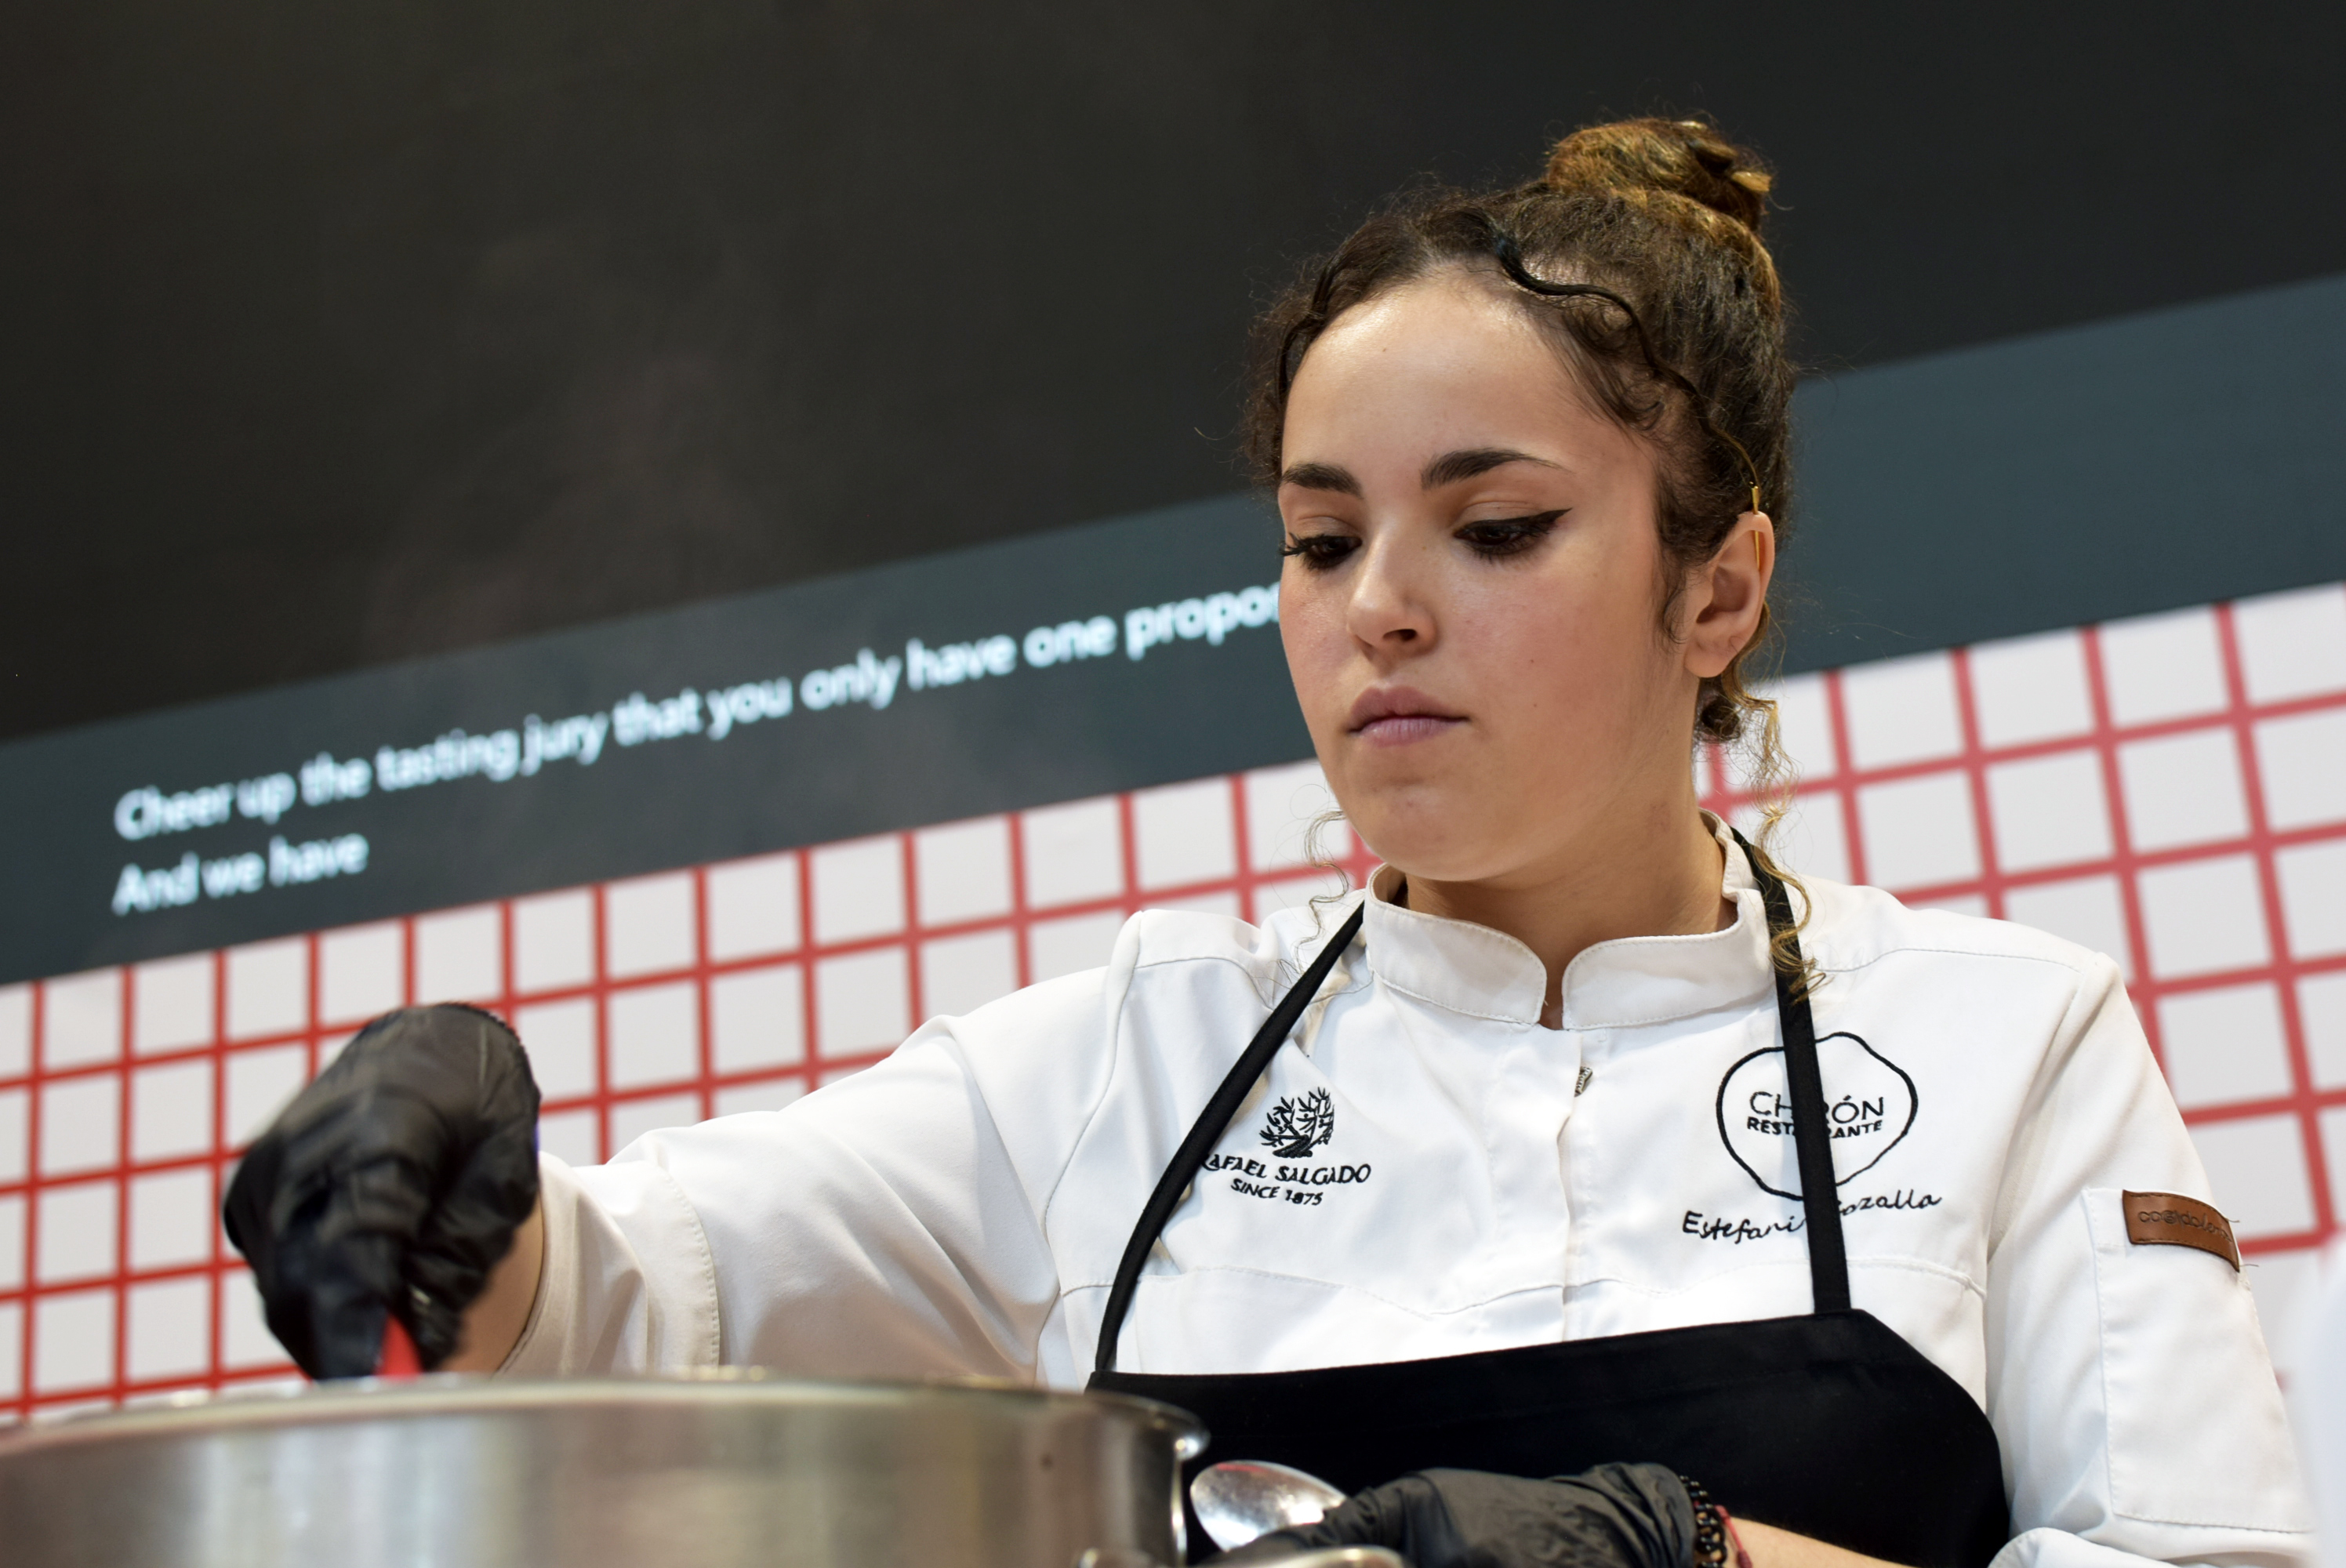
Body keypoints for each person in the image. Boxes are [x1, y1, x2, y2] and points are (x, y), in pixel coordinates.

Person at [226, 118, 2310, 1568]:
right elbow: (613, 1313)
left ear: (1719, 588)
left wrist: (1707, 1563)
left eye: (1493, 530)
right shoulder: (1130, 1058)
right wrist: (450, 1205)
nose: (1377, 607)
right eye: (1321, 540)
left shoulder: (2009, 1039)